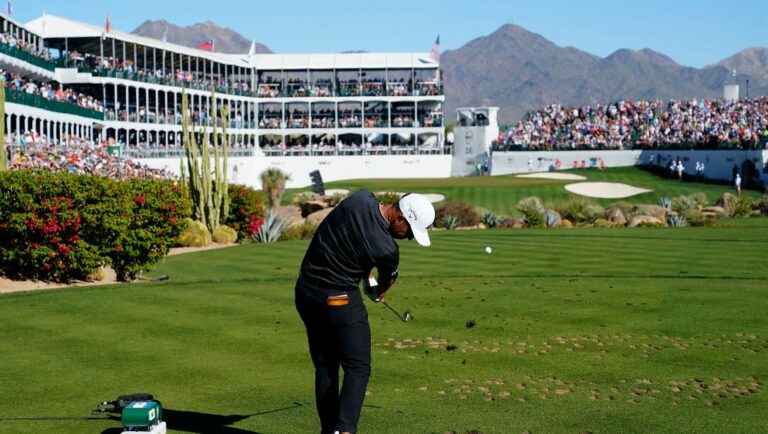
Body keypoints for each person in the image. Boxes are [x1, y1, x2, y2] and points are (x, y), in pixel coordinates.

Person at [295, 191, 435, 434]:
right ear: (399, 218)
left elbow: (348, 235)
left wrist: (364, 273)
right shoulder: (387, 250)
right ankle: (345, 430)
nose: (410, 238)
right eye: (411, 232)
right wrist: (377, 292)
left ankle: (330, 430)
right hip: (337, 300)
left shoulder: (359, 199)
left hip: (305, 291)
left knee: (326, 365)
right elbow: (386, 280)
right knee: (358, 367)